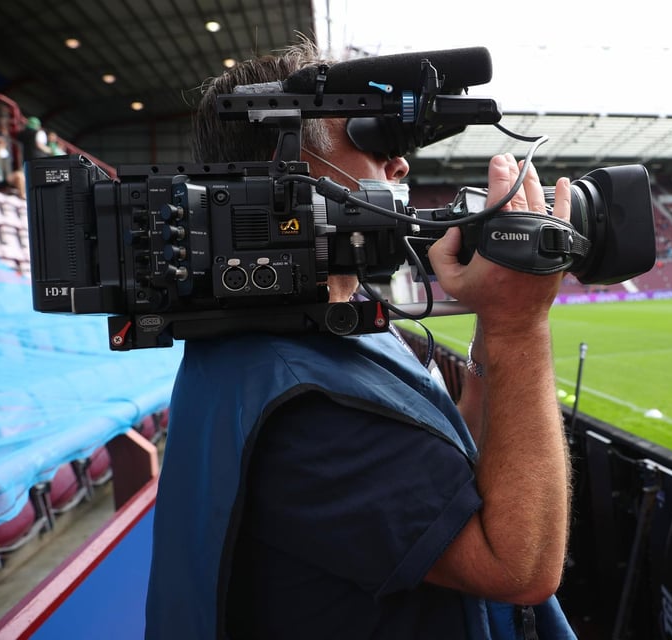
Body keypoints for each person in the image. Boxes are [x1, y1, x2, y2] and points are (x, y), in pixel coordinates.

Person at [145, 42, 577, 639]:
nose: (399, 165)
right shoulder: (302, 397)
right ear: (287, 167)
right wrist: (518, 326)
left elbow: (465, 467)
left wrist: (489, 319)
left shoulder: (319, 327)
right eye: (372, 140)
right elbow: (519, 568)